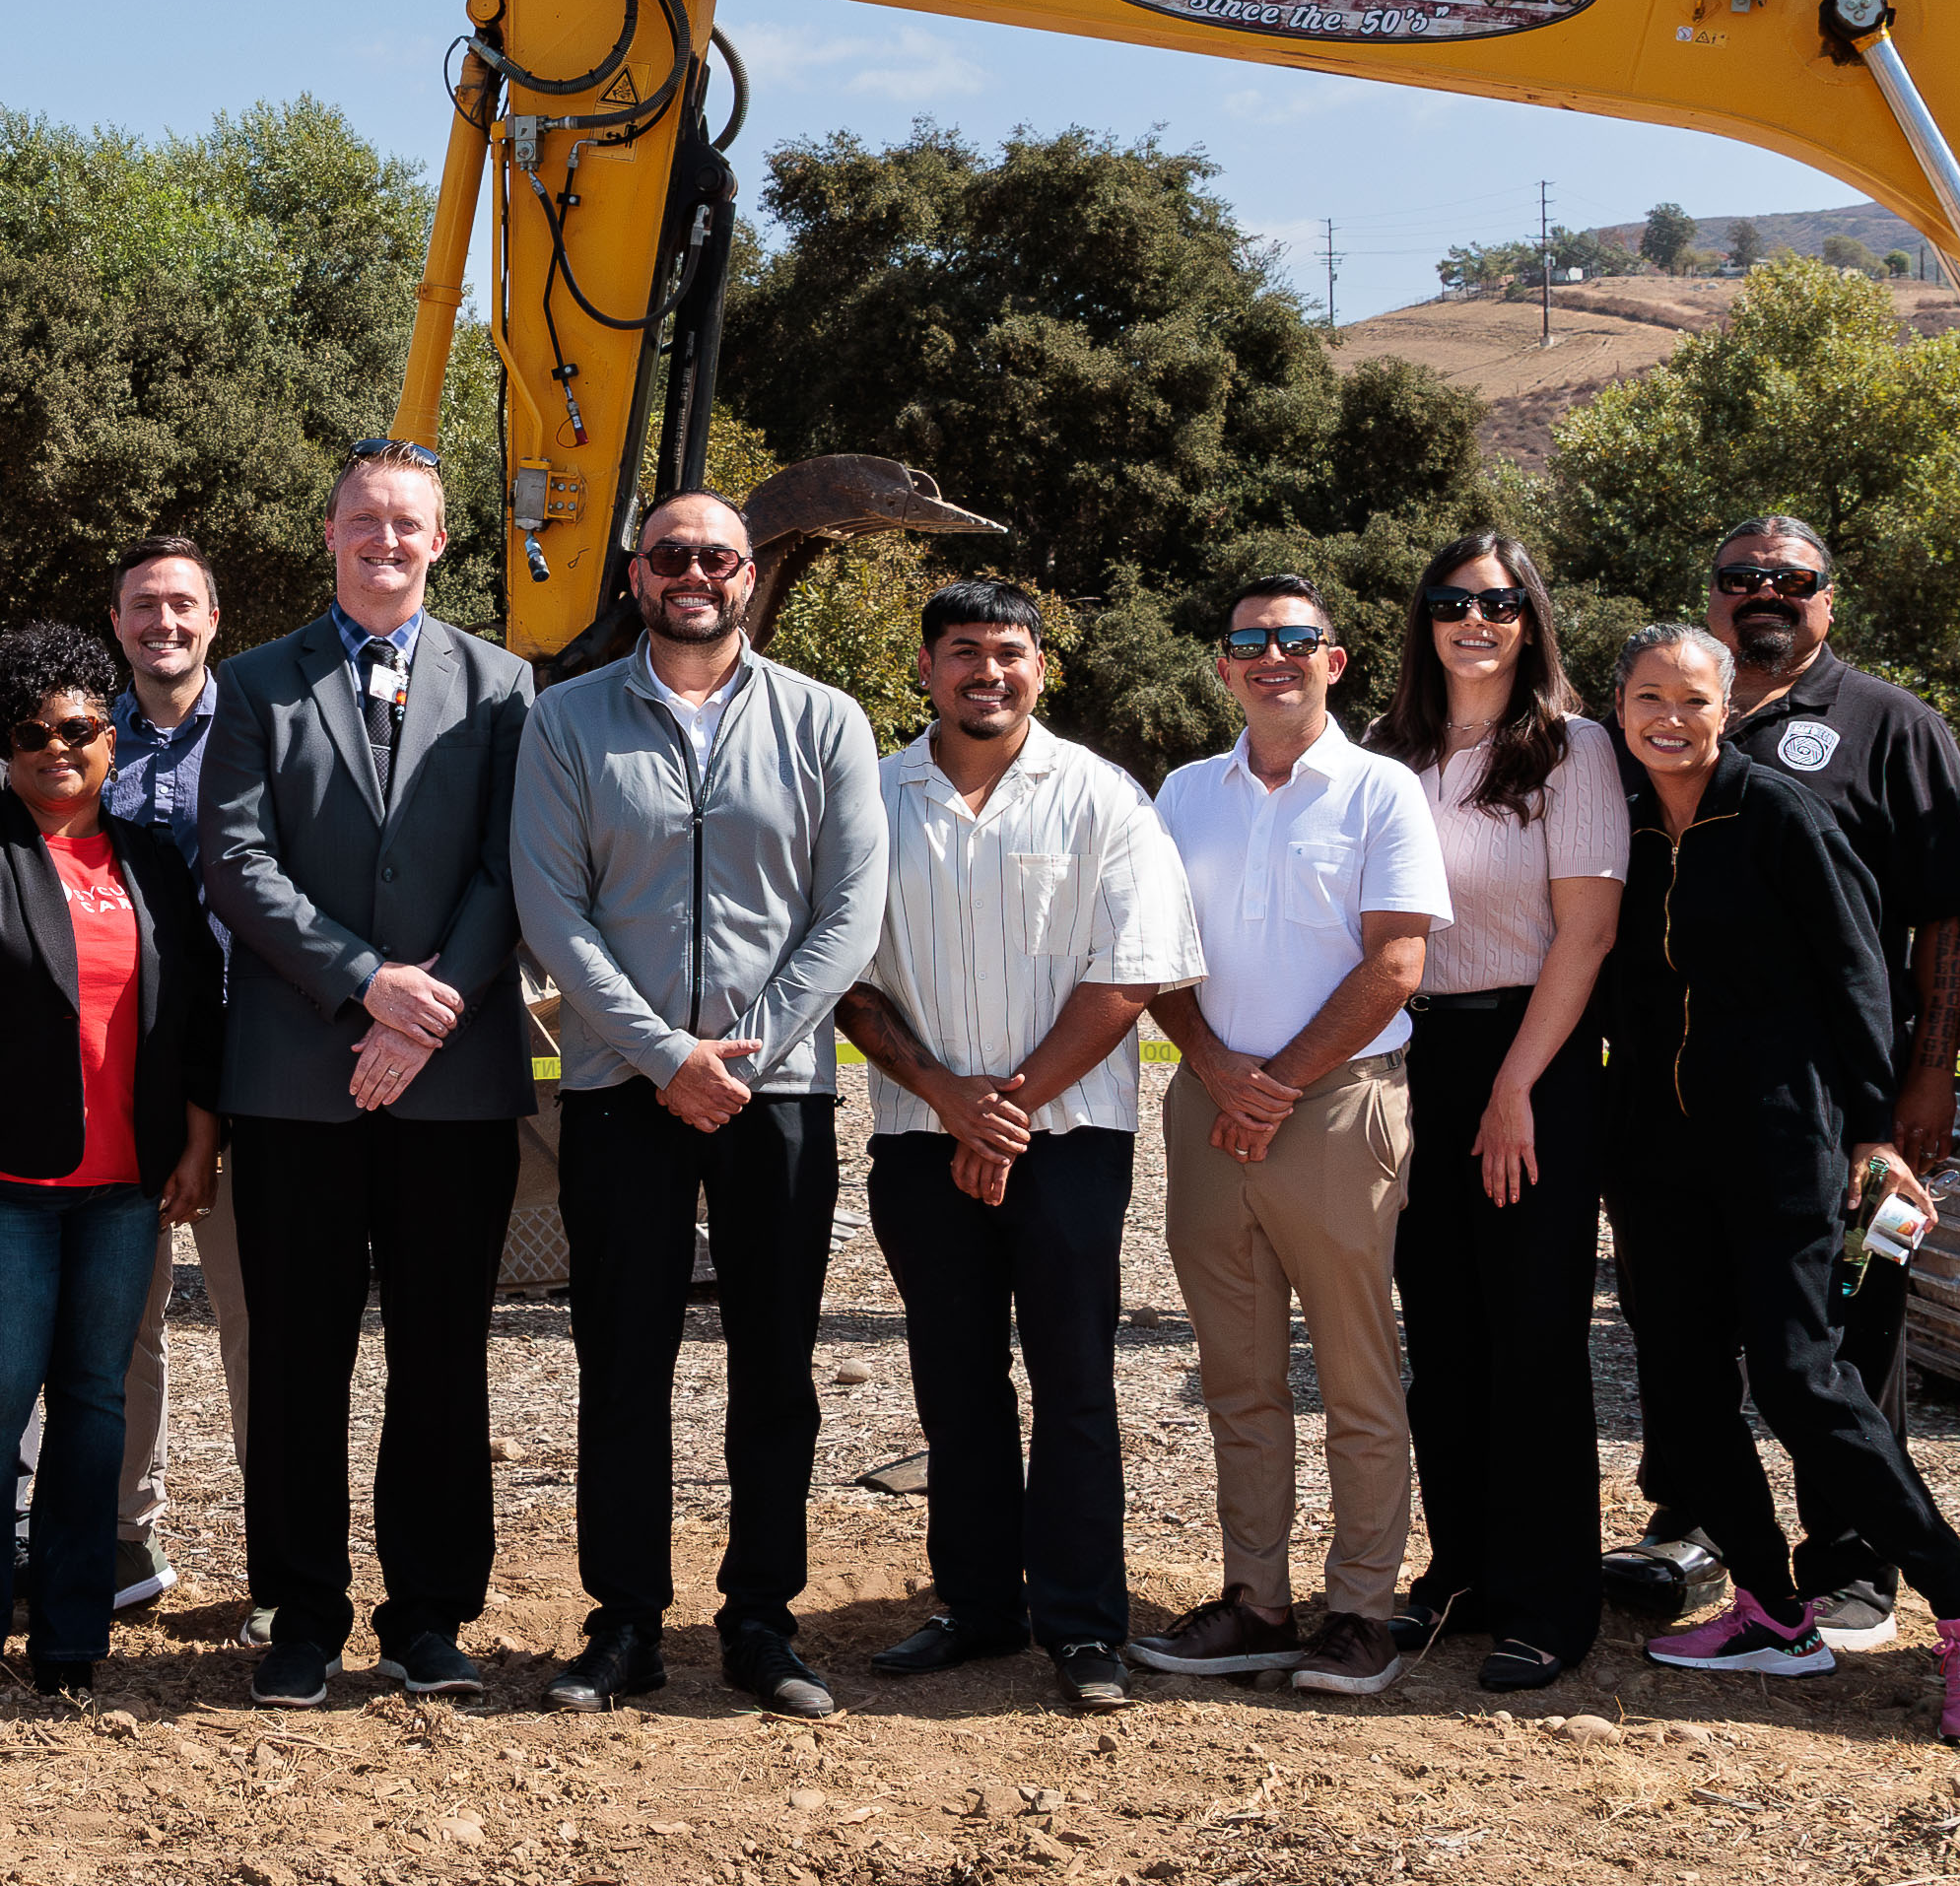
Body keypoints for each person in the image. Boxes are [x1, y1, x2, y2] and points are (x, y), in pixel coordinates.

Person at [1605, 627, 1960, 1743]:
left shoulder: (1782, 812)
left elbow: (1860, 978)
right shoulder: (1623, 821)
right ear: (1618, 706)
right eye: (1647, 696)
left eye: (1691, 699)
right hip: (1657, 1147)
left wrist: (1875, 1131)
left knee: (1800, 1378)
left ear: (1723, 704)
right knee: (1684, 1386)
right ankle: (1769, 1608)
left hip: (1784, 1139)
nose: (1668, 717)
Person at [509, 489, 890, 1718]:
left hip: (775, 1093)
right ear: (635, 577)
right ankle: (623, 1620)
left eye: (715, 556)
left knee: (776, 1366)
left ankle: (762, 1620)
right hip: (623, 1091)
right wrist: (663, 1049)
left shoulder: (827, 722)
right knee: (622, 1364)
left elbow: (849, 911)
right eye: (670, 555)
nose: (693, 573)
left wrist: (744, 1049)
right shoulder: (564, 723)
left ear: (749, 577)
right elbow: (552, 907)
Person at [201, 455, 534, 1708]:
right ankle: (301, 1610)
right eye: (361, 520)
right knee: (297, 1354)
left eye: (406, 523)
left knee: (443, 1354)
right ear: (328, 531)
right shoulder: (255, 684)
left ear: (440, 540)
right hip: (300, 1076)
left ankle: (430, 1613)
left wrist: (426, 1007)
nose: (382, 539)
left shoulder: (505, 685)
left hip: (453, 1078)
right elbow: (236, 859)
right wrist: (363, 986)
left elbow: (514, 865)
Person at [831, 577, 1195, 1712]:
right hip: (917, 1136)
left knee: (1076, 1380)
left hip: (1073, 1137)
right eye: (962, 652)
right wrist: (951, 1101)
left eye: (1009, 651)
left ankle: (1086, 1627)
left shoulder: (1101, 796)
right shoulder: (869, 795)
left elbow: (1132, 969)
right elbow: (844, 975)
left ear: (1042, 666)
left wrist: (1012, 1105)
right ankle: (979, 1607)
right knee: (955, 1380)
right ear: (926, 667)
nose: (986, 670)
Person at [0, 622, 226, 1697]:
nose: (57, 749)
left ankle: (74, 1629)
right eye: (31, 732)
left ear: (110, 738)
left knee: (93, 1401)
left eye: (79, 728)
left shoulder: (154, 861)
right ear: (8, 741)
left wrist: (199, 1144)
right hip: (1, 1191)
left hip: (126, 1187)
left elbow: (200, 1017)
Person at [1140, 577, 1445, 1699]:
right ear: (1222, 665)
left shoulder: (1382, 793)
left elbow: (1396, 964)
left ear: (1337, 659)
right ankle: (1257, 1601)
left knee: (1358, 1377)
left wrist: (1274, 1083)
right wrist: (1220, 1072)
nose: (1273, 656)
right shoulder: (1181, 792)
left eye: (1296, 639)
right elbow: (1150, 949)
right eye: (1250, 641)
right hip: (1210, 1104)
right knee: (1239, 1377)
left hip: (1338, 1110)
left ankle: (1362, 1611)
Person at [1370, 529, 1627, 1696]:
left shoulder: (1572, 749)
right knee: (1445, 1335)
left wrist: (1517, 1085)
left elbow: (1588, 934)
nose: (1475, 620)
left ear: (1532, 619)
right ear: (1424, 620)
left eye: (1500, 602)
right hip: (1412, 1056)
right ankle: (1463, 1572)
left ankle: (1550, 1599)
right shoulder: (1388, 749)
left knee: (1531, 1336)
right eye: (1452, 601)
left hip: (1534, 1054)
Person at [96, 530, 257, 1622]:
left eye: (182, 604)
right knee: (122, 1322)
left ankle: (283, 1557)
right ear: (118, 622)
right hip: (118, 1073)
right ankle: (119, 1538)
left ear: (212, 618)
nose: (163, 620)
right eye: (143, 604)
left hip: (254, 1062)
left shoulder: (260, 730)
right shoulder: (75, 740)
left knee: (261, 1320)